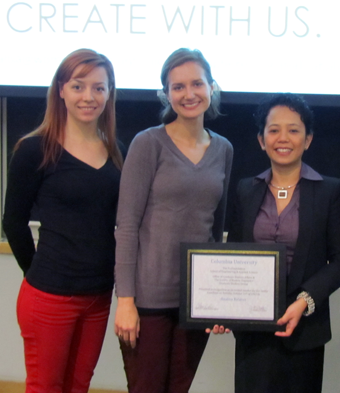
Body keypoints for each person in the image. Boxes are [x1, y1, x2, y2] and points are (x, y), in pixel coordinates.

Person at [211, 93, 340, 393]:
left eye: (294, 129)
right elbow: (233, 256)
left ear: (308, 139)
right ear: (262, 140)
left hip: (305, 329)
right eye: (273, 130)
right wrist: (223, 309)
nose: (283, 138)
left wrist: (305, 301)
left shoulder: (331, 191)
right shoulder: (245, 190)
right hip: (253, 330)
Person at [2, 48, 124, 392]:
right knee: (46, 386)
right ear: (61, 89)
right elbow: (13, 222)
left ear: (109, 93)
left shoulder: (116, 150)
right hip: (49, 296)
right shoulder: (34, 149)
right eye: (78, 86)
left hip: (98, 296)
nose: (89, 97)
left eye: (99, 88)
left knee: (79, 385)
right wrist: (38, 273)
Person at [113, 48, 233, 393]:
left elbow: (216, 229)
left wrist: (219, 298)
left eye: (197, 83)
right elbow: (127, 225)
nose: (189, 93)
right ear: (166, 94)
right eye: (177, 86)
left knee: (180, 387)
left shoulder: (224, 149)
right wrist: (125, 301)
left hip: (197, 298)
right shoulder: (148, 143)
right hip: (147, 299)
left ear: (212, 87)